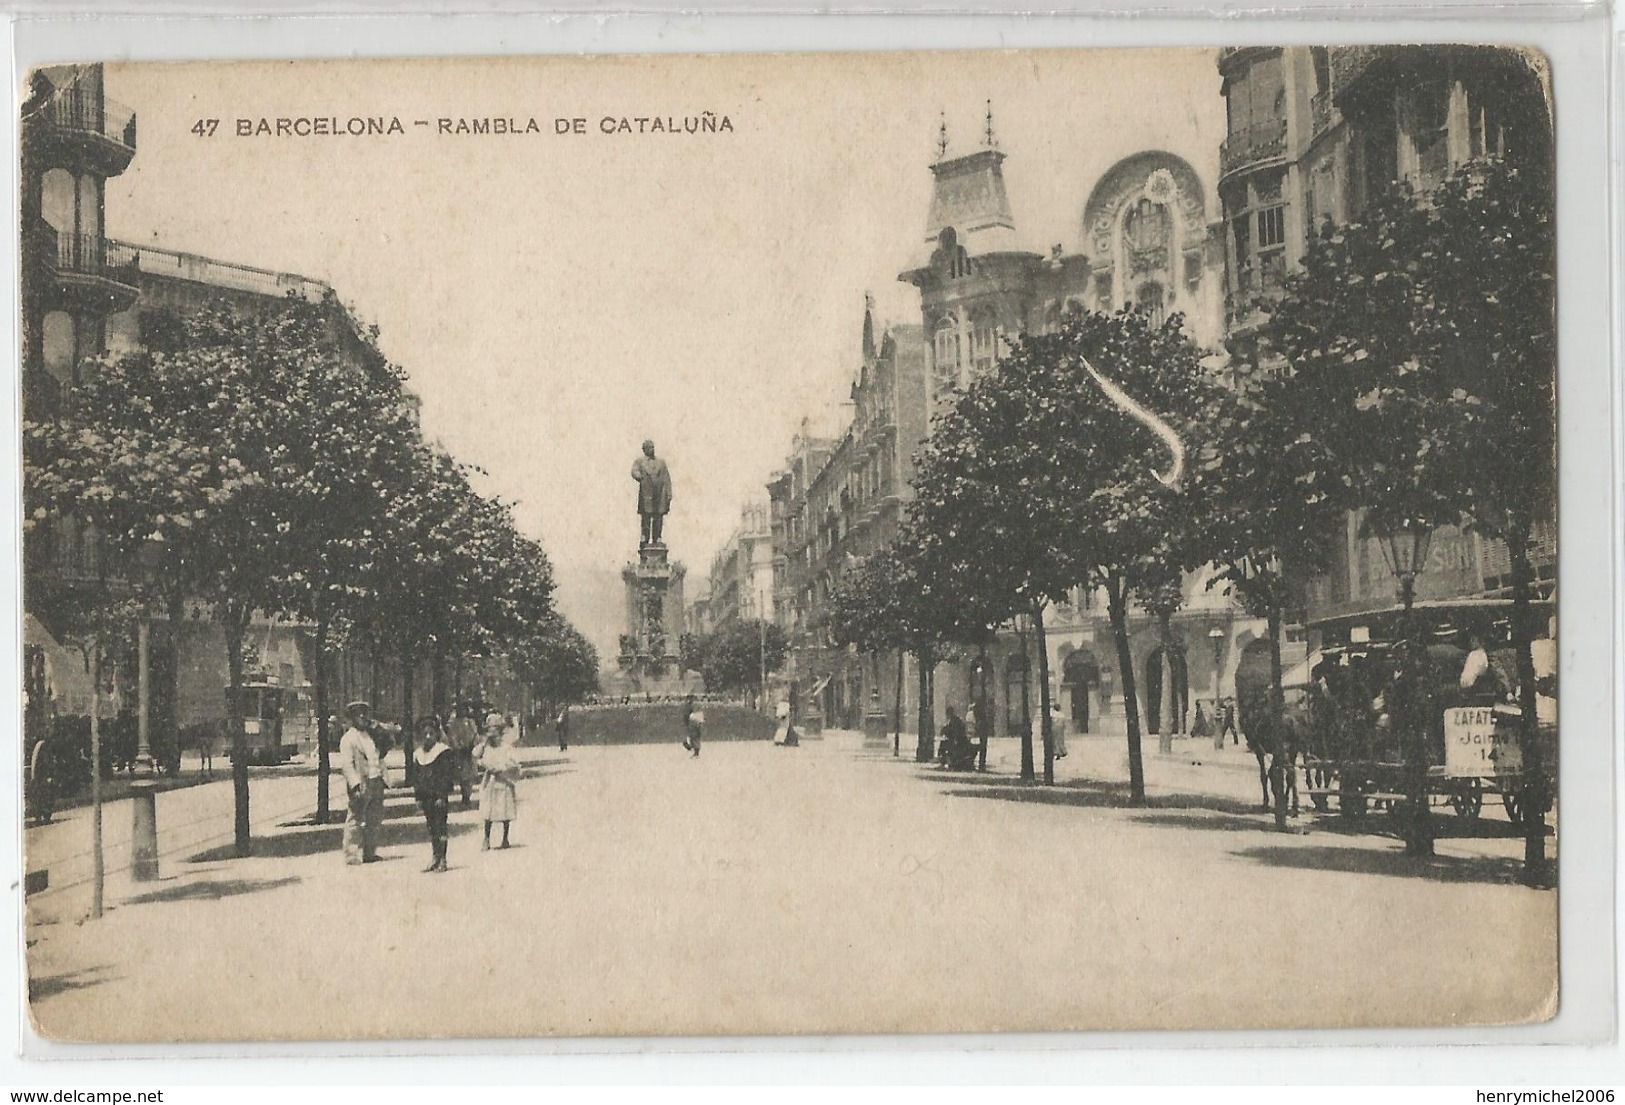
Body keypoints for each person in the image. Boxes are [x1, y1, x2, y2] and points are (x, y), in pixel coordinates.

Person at [339, 701, 385, 865]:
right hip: (362, 783)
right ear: (352, 717)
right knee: (356, 818)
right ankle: (351, 854)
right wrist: (355, 785)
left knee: (374, 817)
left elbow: (383, 751)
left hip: (376, 779)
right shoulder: (348, 739)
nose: (363, 717)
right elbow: (347, 765)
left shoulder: (371, 735)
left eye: (365, 713)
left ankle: (370, 852)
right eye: (359, 714)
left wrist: (379, 728)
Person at [413, 717, 455, 873]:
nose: (428, 737)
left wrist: (441, 795)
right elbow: (416, 779)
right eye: (425, 734)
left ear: (437, 734)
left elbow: (446, 776)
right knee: (431, 827)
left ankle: (443, 858)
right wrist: (418, 797)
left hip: (438, 797)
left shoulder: (442, 752)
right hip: (426, 797)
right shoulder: (418, 754)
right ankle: (435, 857)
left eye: (431, 733)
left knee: (441, 826)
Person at [476, 712, 519, 850]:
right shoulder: (486, 746)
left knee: (504, 808)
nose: (490, 732)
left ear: (499, 731)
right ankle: (486, 838)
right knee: (488, 809)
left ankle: (505, 837)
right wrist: (484, 743)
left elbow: (514, 764)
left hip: (502, 780)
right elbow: (475, 755)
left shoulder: (506, 747)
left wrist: (501, 768)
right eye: (488, 729)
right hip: (489, 781)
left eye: (493, 729)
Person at [447, 705, 480, 808]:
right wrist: (458, 747)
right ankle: (464, 795)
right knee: (462, 775)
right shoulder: (453, 724)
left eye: (464, 709)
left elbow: (475, 736)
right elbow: (452, 737)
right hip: (460, 752)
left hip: (470, 751)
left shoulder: (471, 722)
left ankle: (467, 796)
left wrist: (473, 746)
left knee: (470, 775)